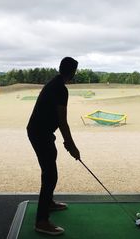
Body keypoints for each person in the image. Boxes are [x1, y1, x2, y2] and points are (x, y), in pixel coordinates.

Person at [27, 57, 81, 236]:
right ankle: (41, 221)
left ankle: (48, 202)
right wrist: (72, 145)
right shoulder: (61, 89)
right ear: (72, 73)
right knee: (50, 175)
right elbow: (62, 121)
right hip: (39, 133)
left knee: (51, 159)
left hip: (41, 132)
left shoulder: (54, 82)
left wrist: (67, 144)